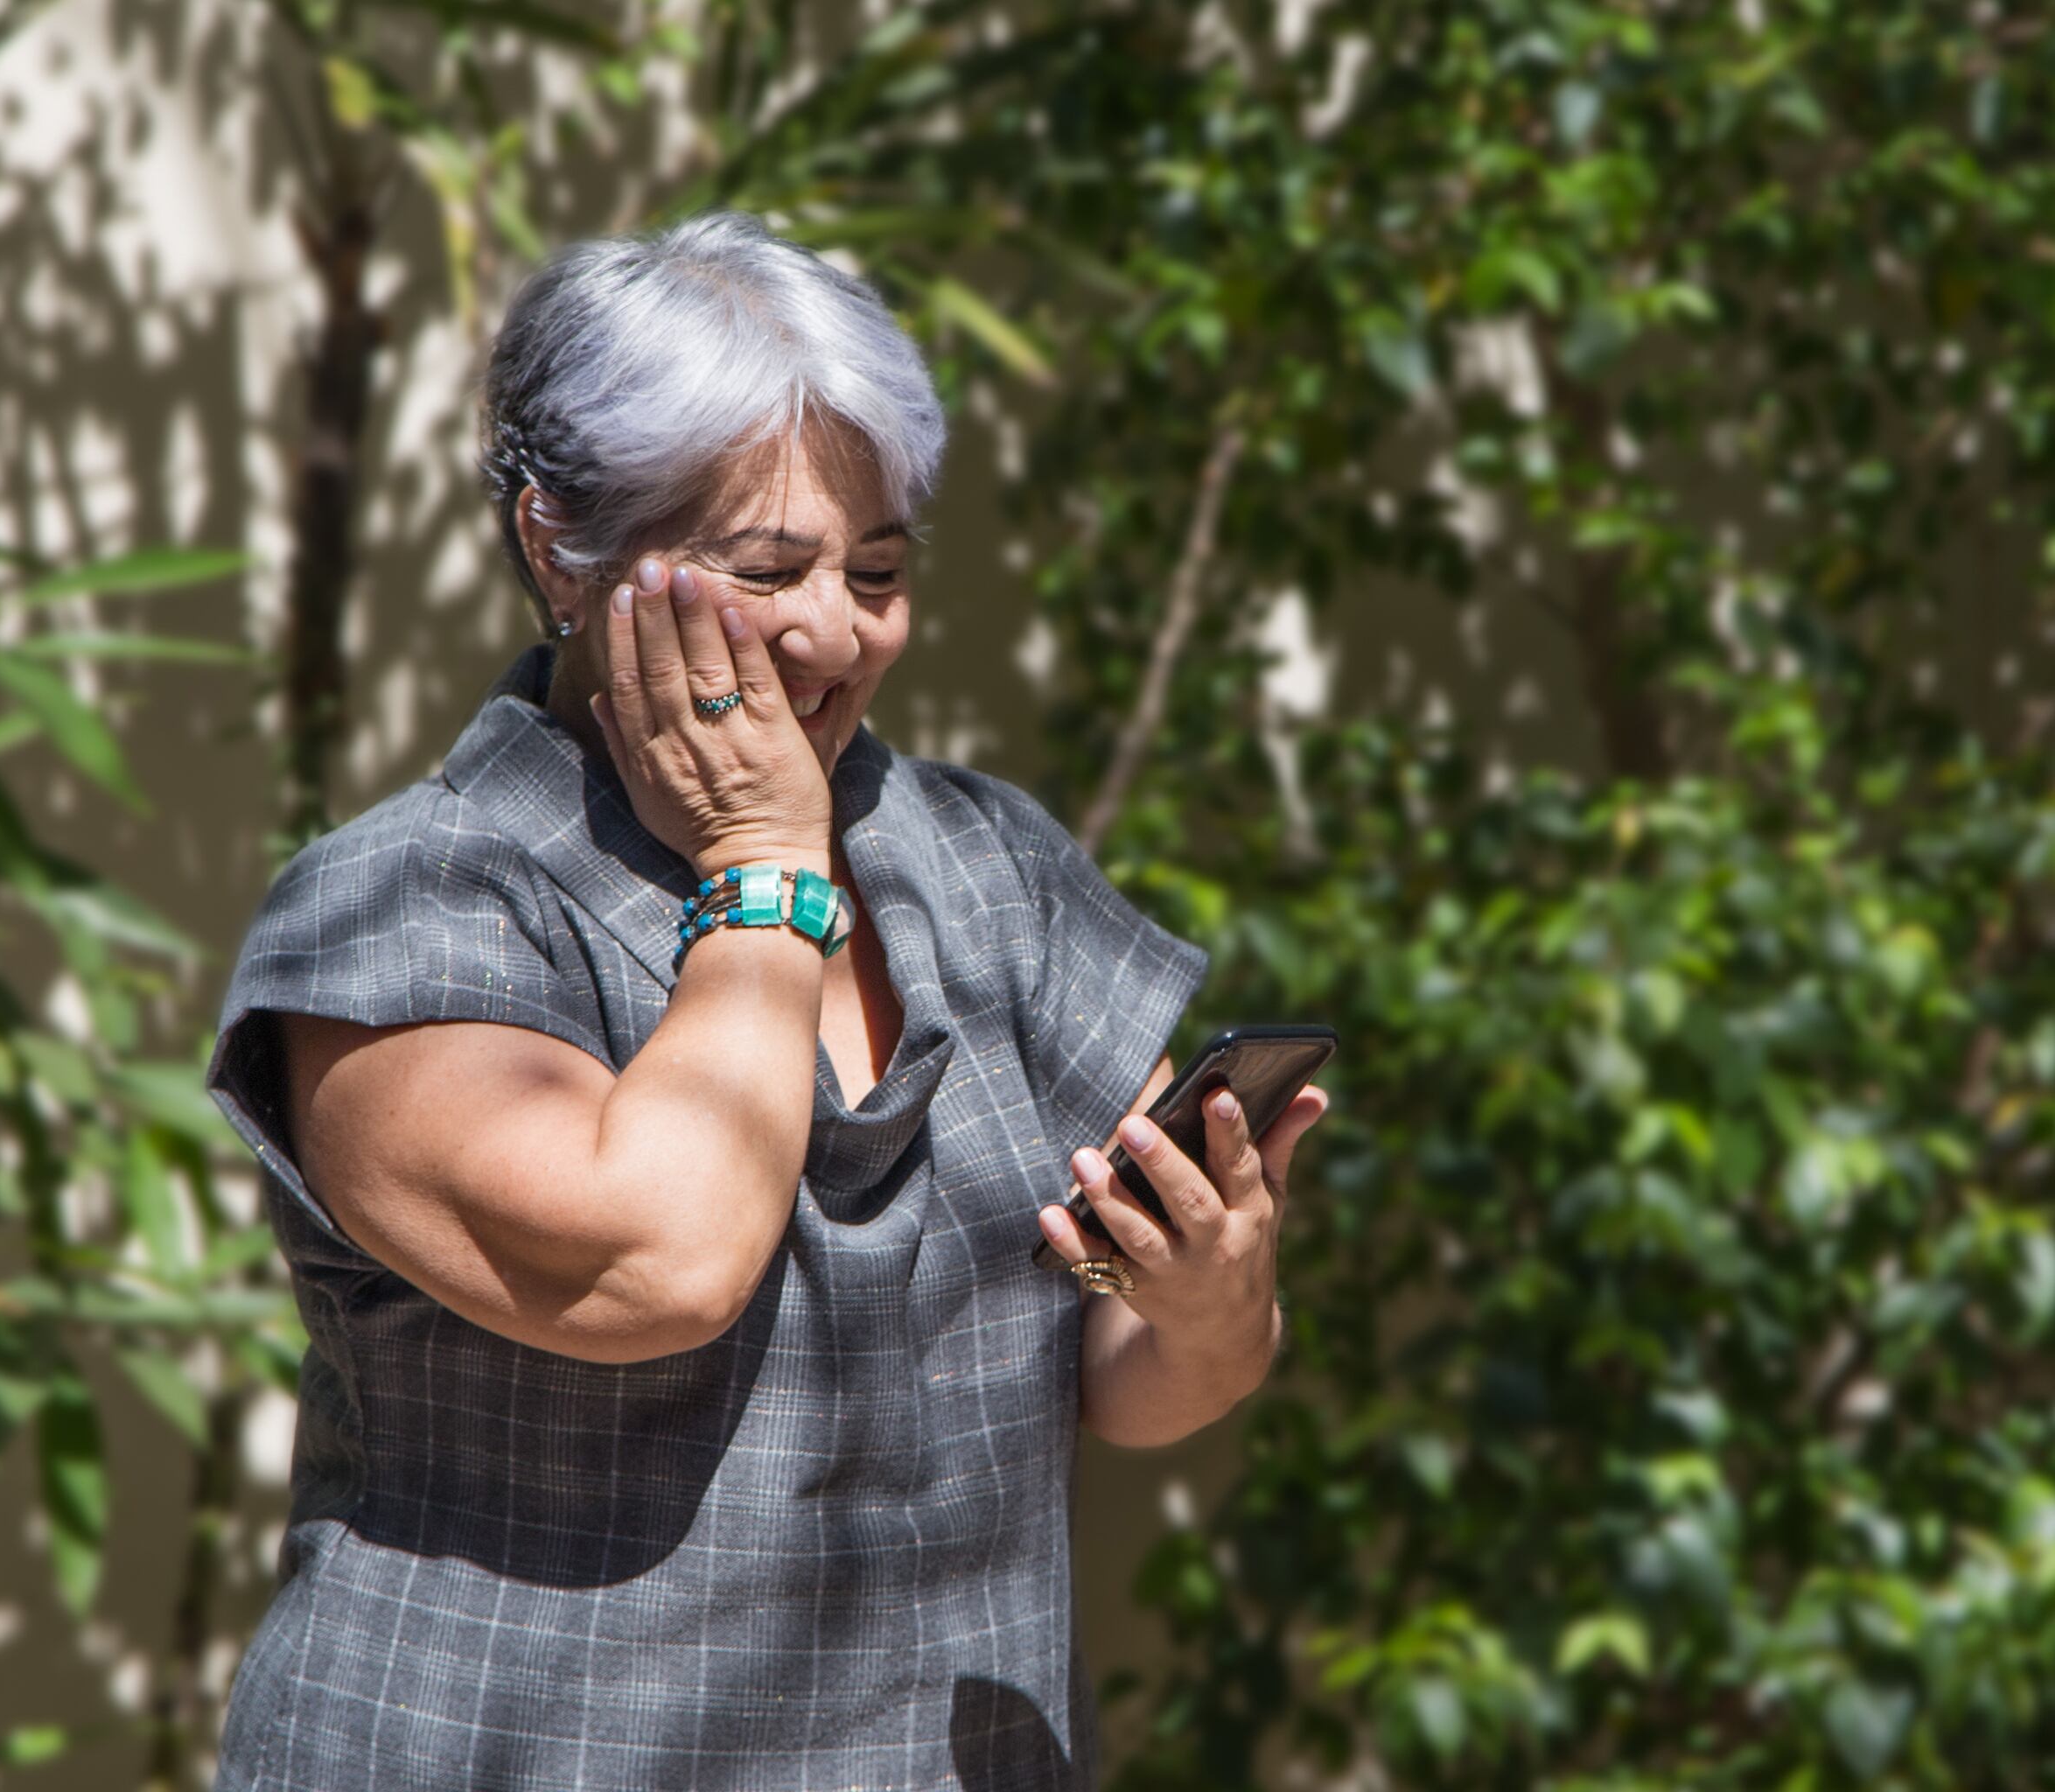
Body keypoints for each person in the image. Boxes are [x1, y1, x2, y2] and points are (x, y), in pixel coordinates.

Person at [204, 210, 1327, 1791]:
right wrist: (763, 863)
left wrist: (1215, 1308)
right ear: (558, 549)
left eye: (875, 572)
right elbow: (656, 1263)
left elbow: (1115, 1388)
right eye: (761, 570)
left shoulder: (982, 863)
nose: (828, 631)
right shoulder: (409, 905)